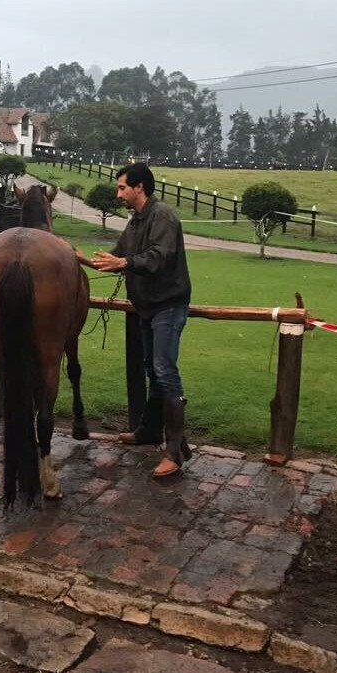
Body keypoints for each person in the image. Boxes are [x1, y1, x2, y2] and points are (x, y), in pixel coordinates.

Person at [89, 162, 192, 477]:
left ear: (139, 188)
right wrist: (79, 258)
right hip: (147, 307)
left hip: (168, 306)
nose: (118, 193)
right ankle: (149, 431)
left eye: (122, 187)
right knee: (152, 369)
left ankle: (174, 452)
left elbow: (158, 257)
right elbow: (117, 256)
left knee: (164, 370)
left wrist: (123, 261)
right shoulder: (135, 222)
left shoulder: (163, 216)